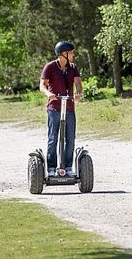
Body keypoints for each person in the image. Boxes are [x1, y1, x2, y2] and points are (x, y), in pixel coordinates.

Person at [40, 41, 83, 177]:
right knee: (53, 138)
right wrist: (49, 94)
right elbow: (42, 85)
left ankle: (68, 167)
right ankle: (52, 168)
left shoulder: (73, 67)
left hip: (69, 108)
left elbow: (78, 84)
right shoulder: (50, 67)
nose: (73, 54)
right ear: (62, 54)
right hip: (54, 108)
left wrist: (79, 94)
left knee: (70, 138)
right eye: (70, 52)